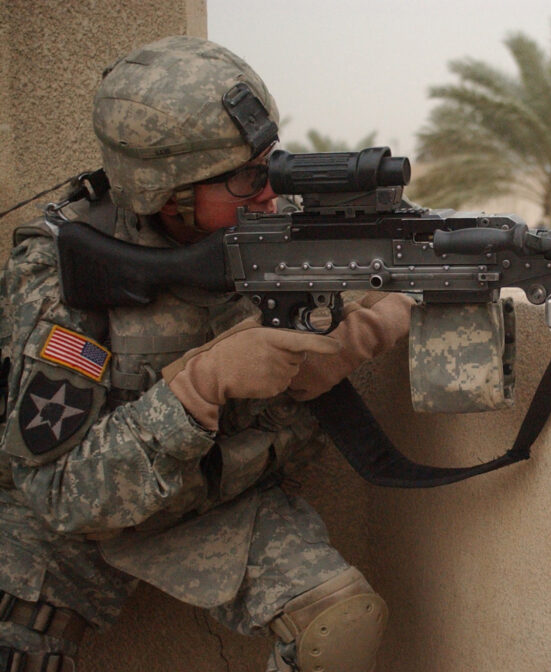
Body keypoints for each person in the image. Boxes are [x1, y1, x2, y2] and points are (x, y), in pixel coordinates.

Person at [0, 35, 412, 672]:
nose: (271, 192)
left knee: (340, 628)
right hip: (72, 518)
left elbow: (408, 256)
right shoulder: (65, 275)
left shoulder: (280, 220)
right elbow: (60, 493)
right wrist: (199, 388)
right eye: (248, 178)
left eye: (271, 163)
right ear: (166, 189)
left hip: (216, 499)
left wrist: (357, 328)